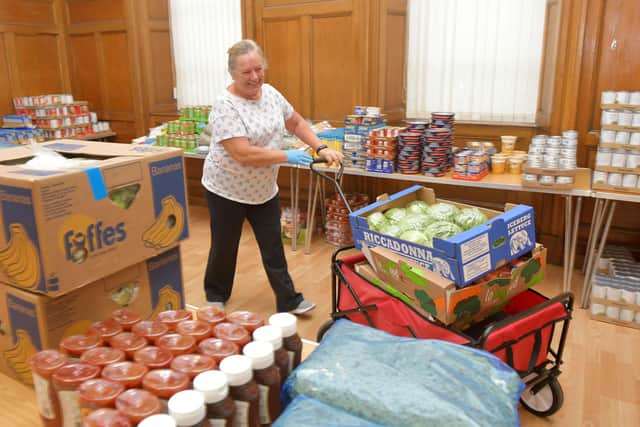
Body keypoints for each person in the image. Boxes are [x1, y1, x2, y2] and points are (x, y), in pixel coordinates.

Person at [202, 39, 343, 315]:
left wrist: (321, 146)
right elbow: (242, 153)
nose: (255, 77)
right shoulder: (225, 106)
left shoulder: (271, 94)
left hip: (263, 188)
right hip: (226, 188)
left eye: (259, 69)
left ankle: (289, 300)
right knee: (224, 246)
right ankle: (215, 294)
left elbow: (297, 122)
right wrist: (285, 156)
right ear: (232, 74)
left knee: (273, 246)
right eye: (247, 73)